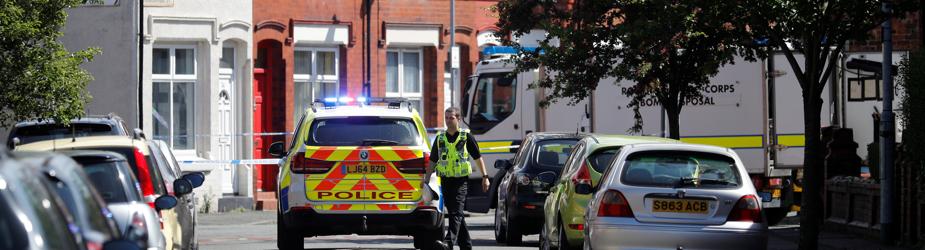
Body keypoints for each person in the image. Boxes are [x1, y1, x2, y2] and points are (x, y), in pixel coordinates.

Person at [425, 107, 490, 250]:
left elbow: (478, 157)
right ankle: (466, 246)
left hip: (461, 181)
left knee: (455, 212)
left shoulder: (466, 137)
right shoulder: (440, 138)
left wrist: (485, 177)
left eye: (451, 118)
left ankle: (448, 242)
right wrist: (426, 179)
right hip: (446, 181)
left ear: (458, 119)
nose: (448, 120)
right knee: (457, 213)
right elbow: (433, 160)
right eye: (446, 117)